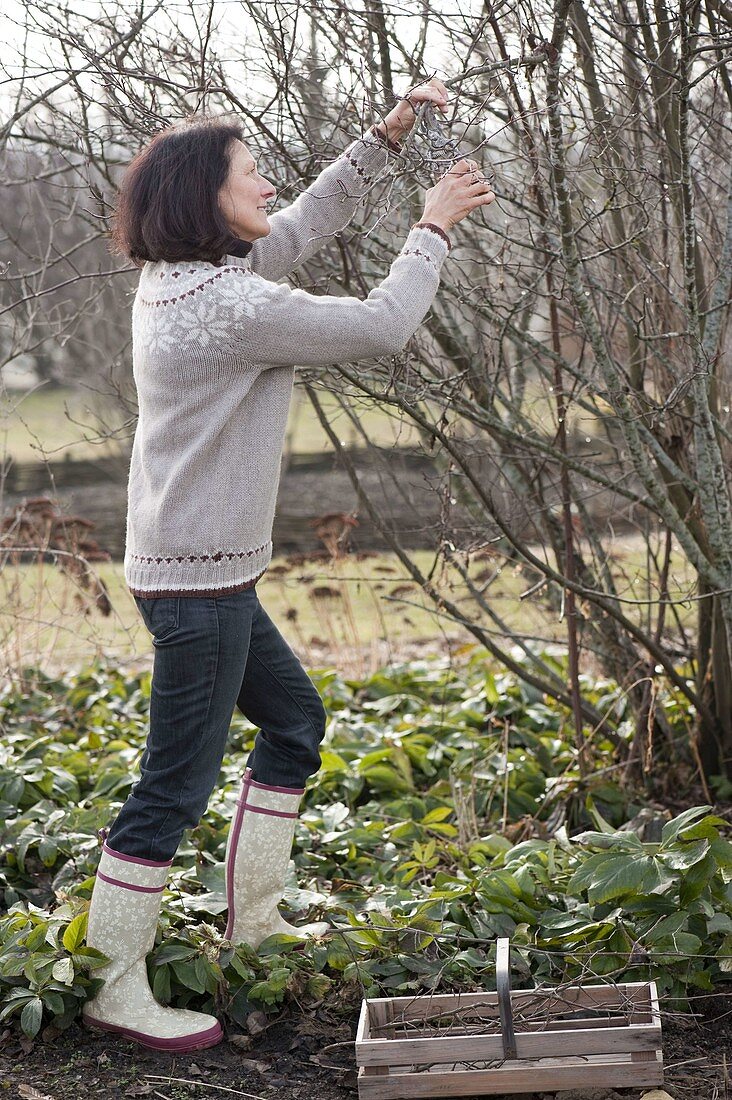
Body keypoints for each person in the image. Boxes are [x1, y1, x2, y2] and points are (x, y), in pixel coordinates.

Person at [81, 78, 495, 1052]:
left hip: (196, 568)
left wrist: (386, 137)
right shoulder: (224, 306)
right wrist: (432, 225)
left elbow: (300, 224)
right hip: (196, 584)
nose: (266, 183)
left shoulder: (186, 278)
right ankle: (110, 982)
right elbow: (381, 327)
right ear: (204, 200)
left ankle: (254, 916)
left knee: (295, 721)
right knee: (173, 786)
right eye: (248, 173)